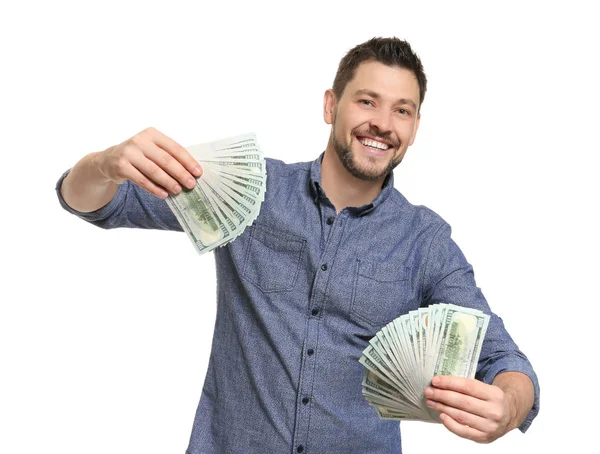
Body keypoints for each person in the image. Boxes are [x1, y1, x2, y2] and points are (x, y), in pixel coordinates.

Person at [56, 37, 539, 453]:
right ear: (331, 106)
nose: (383, 124)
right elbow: (98, 205)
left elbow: (504, 359)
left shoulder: (424, 240)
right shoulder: (248, 189)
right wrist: (103, 164)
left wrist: (510, 404)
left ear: (414, 127)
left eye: (402, 110)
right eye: (367, 101)